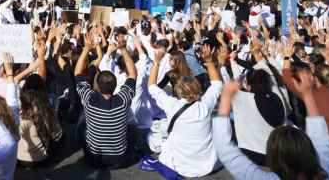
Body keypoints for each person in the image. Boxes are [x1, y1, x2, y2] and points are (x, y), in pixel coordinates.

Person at [213, 69, 329, 179]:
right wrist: (307, 94)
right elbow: (321, 141)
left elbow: (225, 151)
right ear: (310, 151)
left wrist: (225, 98)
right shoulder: (327, 171)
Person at [147, 45, 223, 177]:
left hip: (180, 165)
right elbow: (217, 84)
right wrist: (209, 61)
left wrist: (156, 62)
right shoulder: (205, 106)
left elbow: (152, 87)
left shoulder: (171, 105)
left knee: (154, 137)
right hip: (207, 164)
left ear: (178, 91)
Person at [74, 33, 137, 169]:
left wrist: (86, 49)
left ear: (97, 85)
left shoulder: (89, 99)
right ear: (115, 87)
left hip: (94, 159)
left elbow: (78, 74)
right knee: (132, 126)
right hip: (119, 159)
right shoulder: (124, 100)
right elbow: (132, 74)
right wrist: (123, 49)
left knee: (81, 120)